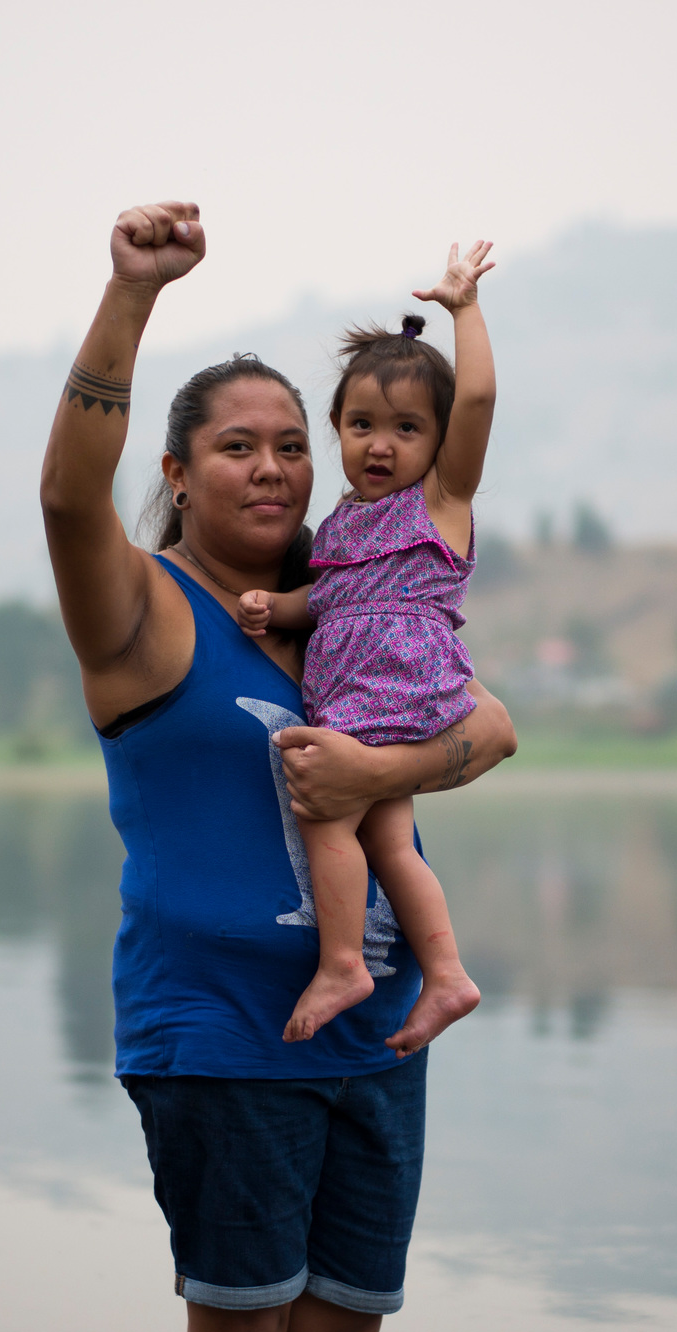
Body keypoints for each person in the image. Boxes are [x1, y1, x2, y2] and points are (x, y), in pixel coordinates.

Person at [36, 201, 518, 1332]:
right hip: (223, 1032)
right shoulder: (139, 614)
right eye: (236, 446)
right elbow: (70, 497)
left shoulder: (356, 605)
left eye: (291, 446)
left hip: (370, 1033)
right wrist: (132, 295)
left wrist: (375, 777)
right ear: (180, 471)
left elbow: (494, 727)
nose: (274, 467)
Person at [233, 242, 498, 1052]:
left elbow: (480, 399)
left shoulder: (440, 501)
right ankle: (446, 974)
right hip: (359, 692)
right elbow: (336, 601)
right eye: (361, 426)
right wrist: (280, 608)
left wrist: (465, 310)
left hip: (399, 686)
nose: (380, 445)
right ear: (338, 430)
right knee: (385, 839)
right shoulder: (345, 523)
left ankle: (344, 962)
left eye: (407, 429)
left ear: (441, 442)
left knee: (326, 811)